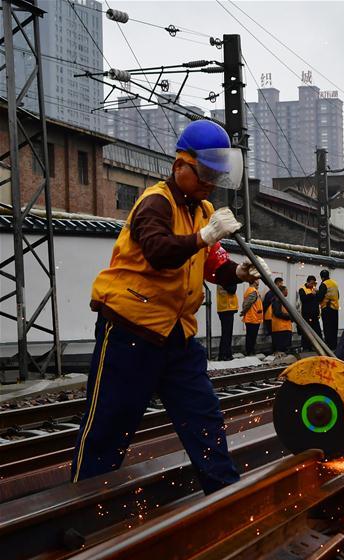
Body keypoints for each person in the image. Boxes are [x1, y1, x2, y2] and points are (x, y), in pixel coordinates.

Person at [74, 119, 266, 495]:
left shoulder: (202, 208)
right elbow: (160, 253)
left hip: (177, 336)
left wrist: (237, 272)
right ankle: (82, 504)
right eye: (204, 173)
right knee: (110, 424)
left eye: (216, 175)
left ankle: (225, 494)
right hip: (131, 330)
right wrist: (204, 235)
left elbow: (211, 262)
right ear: (181, 165)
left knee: (203, 417)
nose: (210, 182)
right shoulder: (154, 202)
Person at [297, 275, 324, 352]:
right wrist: (312, 294)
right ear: (308, 282)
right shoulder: (302, 289)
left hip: (315, 314)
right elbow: (303, 299)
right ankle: (306, 347)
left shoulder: (315, 290)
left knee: (317, 331)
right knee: (306, 331)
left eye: (314, 283)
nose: (313, 285)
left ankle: (319, 346)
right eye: (312, 283)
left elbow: (317, 301)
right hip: (306, 314)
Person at [216, 283, 238, 361]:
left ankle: (227, 354)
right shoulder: (225, 279)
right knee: (227, 334)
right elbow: (232, 290)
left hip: (224, 308)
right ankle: (224, 355)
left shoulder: (222, 279)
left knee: (226, 333)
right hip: (227, 307)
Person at [318, 270, 340, 349]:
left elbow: (320, 297)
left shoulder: (324, 284)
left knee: (327, 328)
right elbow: (338, 295)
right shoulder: (334, 283)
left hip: (327, 308)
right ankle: (334, 345)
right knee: (334, 327)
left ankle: (329, 346)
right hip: (335, 308)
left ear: (322, 277)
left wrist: (316, 294)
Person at [241, 280, 263, 356]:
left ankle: (251, 351)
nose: (258, 281)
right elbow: (247, 303)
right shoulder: (252, 291)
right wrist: (243, 312)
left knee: (251, 336)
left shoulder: (254, 291)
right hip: (252, 317)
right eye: (257, 280)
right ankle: (250, 352)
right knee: (251, 336)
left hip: (254, 317)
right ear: (254, 281)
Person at [271, 284, 293, 355]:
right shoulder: (277, 300)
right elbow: (277, 313)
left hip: (283, 328)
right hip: (281, 328)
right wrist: (289, 316)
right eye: (286, 291)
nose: (287, 292)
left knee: (283, 349)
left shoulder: (280, 300)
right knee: (281, 350)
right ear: (282, 292)